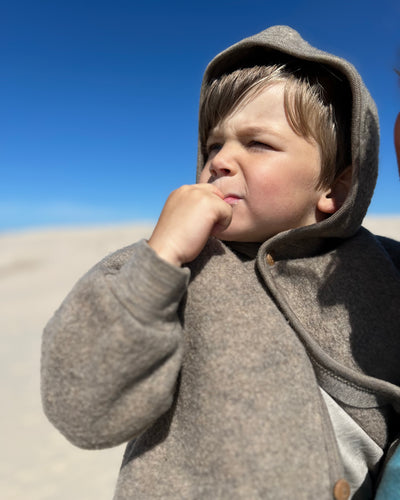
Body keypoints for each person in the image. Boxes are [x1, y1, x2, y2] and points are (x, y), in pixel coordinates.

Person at [41, 26, 400, 499]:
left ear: (334, 188)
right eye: (213, 145)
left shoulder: (386, 268)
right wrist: (160, 260)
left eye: (258, 144)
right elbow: (83, 409)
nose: (222, 161)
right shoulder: (158, 270)